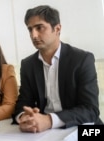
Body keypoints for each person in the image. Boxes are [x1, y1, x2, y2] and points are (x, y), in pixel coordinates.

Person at [12, 5, 103, 133]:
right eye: (30, 29)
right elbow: (23, 103)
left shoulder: (82, 59)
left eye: (39, 27)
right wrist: (24, 117)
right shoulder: (28, 64)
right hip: (46, 132)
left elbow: (90, 109)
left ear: (57, 29)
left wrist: (49, 120)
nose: (34, 35)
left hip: (83, 127)